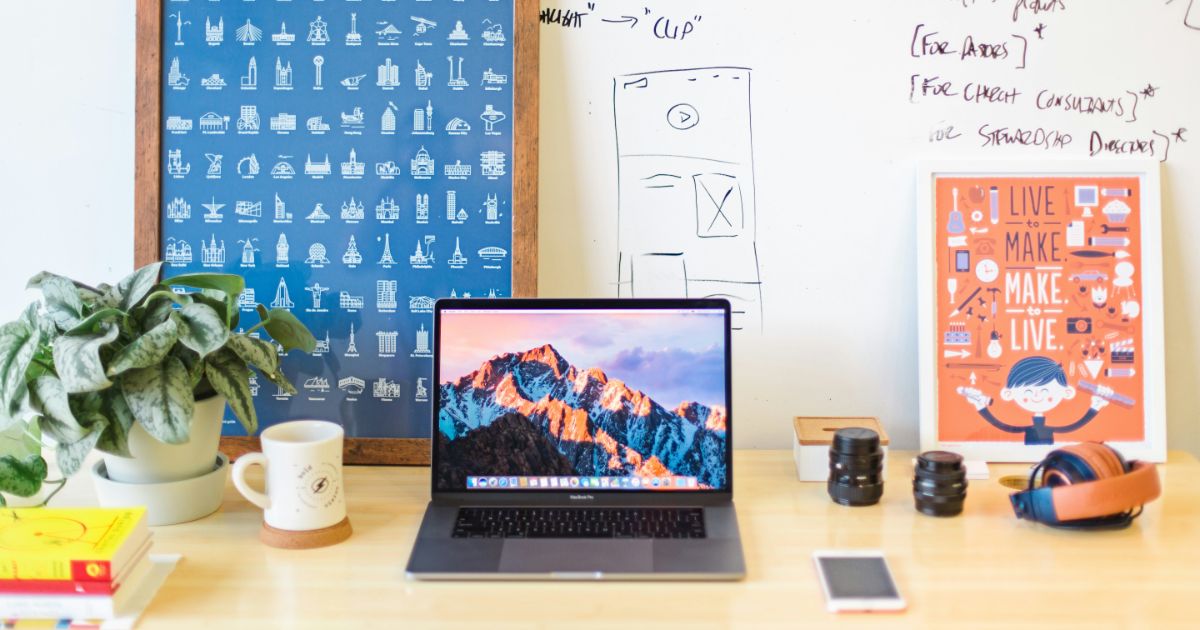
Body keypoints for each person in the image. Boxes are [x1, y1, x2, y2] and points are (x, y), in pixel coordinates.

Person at [957, 356, 1113, 445]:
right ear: (1008, 393)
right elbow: (1002, 426)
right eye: (1028, 391)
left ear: (1067, 392)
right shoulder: (1021, 427)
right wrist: (980, 405)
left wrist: (1095, 406)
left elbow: (1073, 426)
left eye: (1046, 390)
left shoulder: (1053, 426)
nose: (1037, 396)